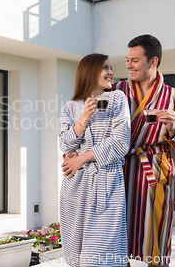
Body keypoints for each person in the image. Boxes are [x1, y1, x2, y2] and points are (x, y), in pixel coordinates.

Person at [113, 34, 175, 267]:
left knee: (156, 235)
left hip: (154, 172)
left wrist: (172, 127)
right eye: (127, 59)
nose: (129, 65)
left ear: (153, 62)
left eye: (135, 60)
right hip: (119, 171)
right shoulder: (116, 91)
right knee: (116, 235)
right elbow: (94, 124)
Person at [59, 53, 131, 267]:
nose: (111, 72)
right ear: (89, 72)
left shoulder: (117, 99)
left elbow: (121, 142)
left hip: (107, 186)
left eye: (111, 68)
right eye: (105, 68)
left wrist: (82, 158)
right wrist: (83, 118)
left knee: (99, 259)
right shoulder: (70, 108)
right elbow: (65, 145)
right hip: (75, 188)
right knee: (77, 257)